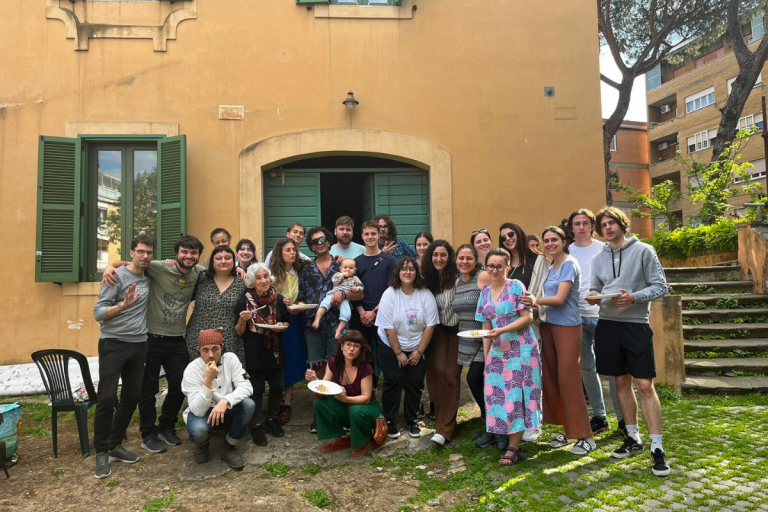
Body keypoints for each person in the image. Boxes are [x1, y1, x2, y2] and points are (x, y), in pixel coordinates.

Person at [101, 235, 206, 454]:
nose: (188, 256)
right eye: (184, 252)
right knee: (148, 389)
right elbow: (134, 262)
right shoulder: (158, 267)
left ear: (198, 256)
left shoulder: (198, 274)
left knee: (180, 383)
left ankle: (167, 426)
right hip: (151, 338)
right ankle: (148, 433)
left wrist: (242, 271)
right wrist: (110, 266)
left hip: (178, 339)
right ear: (177, 253)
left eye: (193, 252)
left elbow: (221, 271)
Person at [586, 207, 670, 477]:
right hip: (607, 324)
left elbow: (660, 287)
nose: (608, 228)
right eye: (604, 225)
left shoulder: (644, 251)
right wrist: (593, 295)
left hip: (635, 325)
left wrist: (633, 297)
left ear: (622, 224)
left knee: (644, 384)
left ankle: (657, 447)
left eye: (612, 223)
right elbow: (597, 287)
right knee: (620, 383)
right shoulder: (599, 258)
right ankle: (633, 438)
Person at [522, 227, 595, 456]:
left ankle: (586, 436)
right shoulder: (550, 266)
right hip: (548, 326)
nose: (550, 243)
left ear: (564, 241)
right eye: (546, 240)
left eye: (555, 239)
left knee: (569, 380)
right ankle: (567, 430)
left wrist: (535, 301)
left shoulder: (569, 264)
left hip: (567, 327)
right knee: (553, 379)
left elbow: (561, 298)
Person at [92, 235, 154, 479]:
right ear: (132, 252)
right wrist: (123, 305)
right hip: (113, 343)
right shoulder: (114, 276)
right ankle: (101, 452)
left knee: (131, 397)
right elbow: (98, 313)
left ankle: (115, 445)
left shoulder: (150, 276)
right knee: (107, 398)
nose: (145, 256)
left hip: (139, 344)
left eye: (149, 252)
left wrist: (112, 262)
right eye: (140, 251)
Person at [475, 248, 542, 466]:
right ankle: (504, 434)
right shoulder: (484, 292)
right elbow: (486, 325)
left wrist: (502, 331)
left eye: (499, 266)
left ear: (508, 267)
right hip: (497, 348)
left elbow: (527, 317)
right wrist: (487, 356)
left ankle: (514, 446)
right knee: (497, 393)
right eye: (490, 266)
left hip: (521, 348)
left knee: (516, 395)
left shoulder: (516, 286)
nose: (494, 270)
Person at [299, 226, 364, 433]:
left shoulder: (342, 267)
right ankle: (321, 413)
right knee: (318, 366)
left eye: (323, 240)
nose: (320, 243)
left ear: (329, 242)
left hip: (337, 322)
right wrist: (296, 306)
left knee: (340, 365)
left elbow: (359, 295)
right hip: (313, 322)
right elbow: (301, 296)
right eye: (315, 241)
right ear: (311, 246)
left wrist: (343, 296)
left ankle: (339, 410)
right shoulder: (306, 269)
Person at [568, 208, 624, 437]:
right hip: (576, 316)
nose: (581, 227)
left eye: (585, 223)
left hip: (603, 314)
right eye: (576, 223)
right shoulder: (567, 250)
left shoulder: (603, 248)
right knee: (587, 368)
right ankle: (599, 416)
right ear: (571, 228)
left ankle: (622, 418)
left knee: (611, 367)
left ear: (592, 226)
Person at [375, 257, 438, 439]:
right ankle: (390, 420)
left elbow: (431, 325)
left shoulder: (425, 294)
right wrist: (398, 353)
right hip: (391, 345)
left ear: (417, 273)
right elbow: (388, 327)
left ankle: (412, 419)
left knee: (415, 383)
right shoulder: (390, 293)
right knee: (393, 382)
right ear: (398, 272)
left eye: (412, 269)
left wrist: (419, 352)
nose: (408, 272)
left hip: (418, 346)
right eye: (404, 269)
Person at [498, 223, 548, 442]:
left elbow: (545, 290)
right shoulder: (506, 265)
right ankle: (517, 421)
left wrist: (535, 304)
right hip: (509, 330)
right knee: (514, 379)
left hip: (531, 325)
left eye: (511, 234)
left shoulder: (537, 261)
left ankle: (534, 423)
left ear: (519, 234)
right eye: (504, 237)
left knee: (532, 377)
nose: (508, 239)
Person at [181, 328, 255, 470]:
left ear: (222, 347)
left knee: (249, 404)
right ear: (199, 350)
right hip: (203, 413)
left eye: (215, 349)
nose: (211, 355)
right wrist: (208, 380)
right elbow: (197, 410)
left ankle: (229, 447)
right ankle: (202, 445)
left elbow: (247, 387)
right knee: (198, 431)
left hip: (226, 409)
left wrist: (225, 401)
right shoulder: (191, 370)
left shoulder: (231, 359)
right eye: (205, 350)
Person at [235, 263, 290, 446]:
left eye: (265, 276)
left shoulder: (279, 300)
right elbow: (239, 331)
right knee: (256, 391)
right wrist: (243, 321)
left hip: (275, 351)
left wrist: (283, 326)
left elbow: (286, 322)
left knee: (277, 388)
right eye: (258, 278)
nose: (263, 280)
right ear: (252, 281)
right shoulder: (244, 301)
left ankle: (272, 420)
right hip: (254, 352)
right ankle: (257, 424)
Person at [306, 330, 383, 456]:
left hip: (369, 408)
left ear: (360, 349)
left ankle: (366, 440)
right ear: (342, 346)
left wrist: (345, 399)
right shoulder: (333, 362)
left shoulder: (365, 368)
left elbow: (366, 398)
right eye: (348, 345)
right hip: (347, 405)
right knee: (319, 403)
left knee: (355, 410)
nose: (351, 349)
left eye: (356, 346)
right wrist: (314, 379)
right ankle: (342, 438)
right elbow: (324, 386)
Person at [421, 240, 462, 446]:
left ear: (450, 257)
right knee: (436, 372)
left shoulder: (457, 278)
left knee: (451, 375)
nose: (438, 259)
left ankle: (445, 429)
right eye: (435, 255)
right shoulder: (427, 280)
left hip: (457, 331)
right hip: (437, 331)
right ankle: (441, 419)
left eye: (443, 254)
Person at [452, 244, 493, 448]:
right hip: (467, 337)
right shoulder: (458, 281)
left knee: (474, 377)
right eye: (461, 258)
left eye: (469, 258)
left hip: (486, 337)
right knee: (479, 380)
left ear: (476, 260)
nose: (464, 262)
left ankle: (491, 423)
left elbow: (494, 302)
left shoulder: (483, 277)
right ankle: (491, 419)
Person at [269, 238, 309, 425]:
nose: (293, 253)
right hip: (274, 321)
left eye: (294, 249)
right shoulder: (270, 273)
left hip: (294, 320)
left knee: (291, 360)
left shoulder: (302, 270)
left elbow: (306, 294)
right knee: (275, 359)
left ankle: (287, 402)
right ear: (280, 253)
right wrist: (277, 300)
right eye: (288, 250)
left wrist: (299, 304)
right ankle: (274, 398)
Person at [186, 246, 246, 364]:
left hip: (228, 339)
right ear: (212, 261)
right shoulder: (201, 278)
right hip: (198, 337)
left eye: (227, 258)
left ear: (233, 261)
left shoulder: (242, 281)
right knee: (199, 375)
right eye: (218, 258)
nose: (223, 261)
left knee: (226, 377)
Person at [353, 220, 397, 364]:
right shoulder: (356, 262)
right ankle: (368, 385)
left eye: (373, 233)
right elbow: (353, 290)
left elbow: (392, 290)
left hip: (383, 314)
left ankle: (387, 384)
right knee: (362, 355)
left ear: (379, 235)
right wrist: (362, 313)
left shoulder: (390, 261)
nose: (370, 237)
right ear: (362, 236)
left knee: (386, 353)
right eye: (367, 234)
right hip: (361, 316)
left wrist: (374, 313)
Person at [313, 258, 364, 340]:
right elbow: (335, 281)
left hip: (345, 299)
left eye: (351, 268)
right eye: (345, 267)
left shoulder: (355, 279)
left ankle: (339, 330)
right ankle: (317, 319)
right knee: (324, 304)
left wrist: (356, 289)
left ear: (355, 270)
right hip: (333, 294)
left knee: (347, 314)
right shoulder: (337, 274)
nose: (347, 270)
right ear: (341, 269)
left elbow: (361, 287)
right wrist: (342, 275)